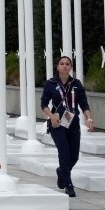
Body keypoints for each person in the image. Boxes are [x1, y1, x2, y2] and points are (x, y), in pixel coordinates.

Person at [41, 55, 94, 198]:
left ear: (71, 67)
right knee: (64, 151)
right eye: (62, 64)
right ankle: (68, 184)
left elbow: (84, 104)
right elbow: (44, 104)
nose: (64, 66)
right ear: (58, 67)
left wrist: (89, 118)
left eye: (67, 64)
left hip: (73, 122)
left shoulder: (76, 84)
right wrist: (51, 117)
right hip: (57, 122)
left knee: (74, 155)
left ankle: (61, 172)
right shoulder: (50, 83)